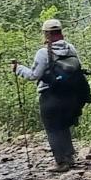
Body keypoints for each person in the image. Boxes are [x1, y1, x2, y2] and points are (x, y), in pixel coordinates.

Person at [13, 17, 85, 171]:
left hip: (50, 96)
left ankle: (61, 162)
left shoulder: (43, 53)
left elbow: (34, 75)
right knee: (64, 126)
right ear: (60, 32)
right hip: (70, 95)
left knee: (52, 128)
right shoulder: (71, 48)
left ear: (46, 34)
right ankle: (70, 158)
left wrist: (18, 69)